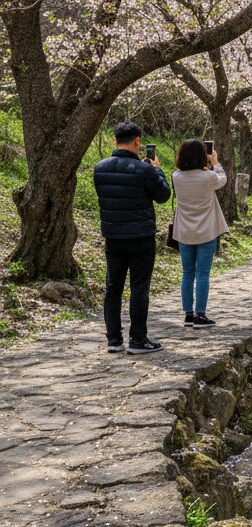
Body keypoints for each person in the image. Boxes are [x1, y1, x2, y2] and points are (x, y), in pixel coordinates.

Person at [93, 122, 171, 354]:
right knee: (139, 288)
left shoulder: (100, 168)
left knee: (113, 287)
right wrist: (156, 169)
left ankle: (113, 340)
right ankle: (137, 339)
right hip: (140, 237)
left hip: (113, 236)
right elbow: (163, 195)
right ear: (138, 141)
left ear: (115, 140)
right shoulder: (144, 170)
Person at [172, 139, 228, 326]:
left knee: (187, 274)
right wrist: (215, 163)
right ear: (202, 156)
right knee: (202, 274)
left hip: (185, 232)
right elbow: (223, 180)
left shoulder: (176, 177)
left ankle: (188, 315)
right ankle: (201, 315)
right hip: (207, 231)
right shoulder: (209, 177)